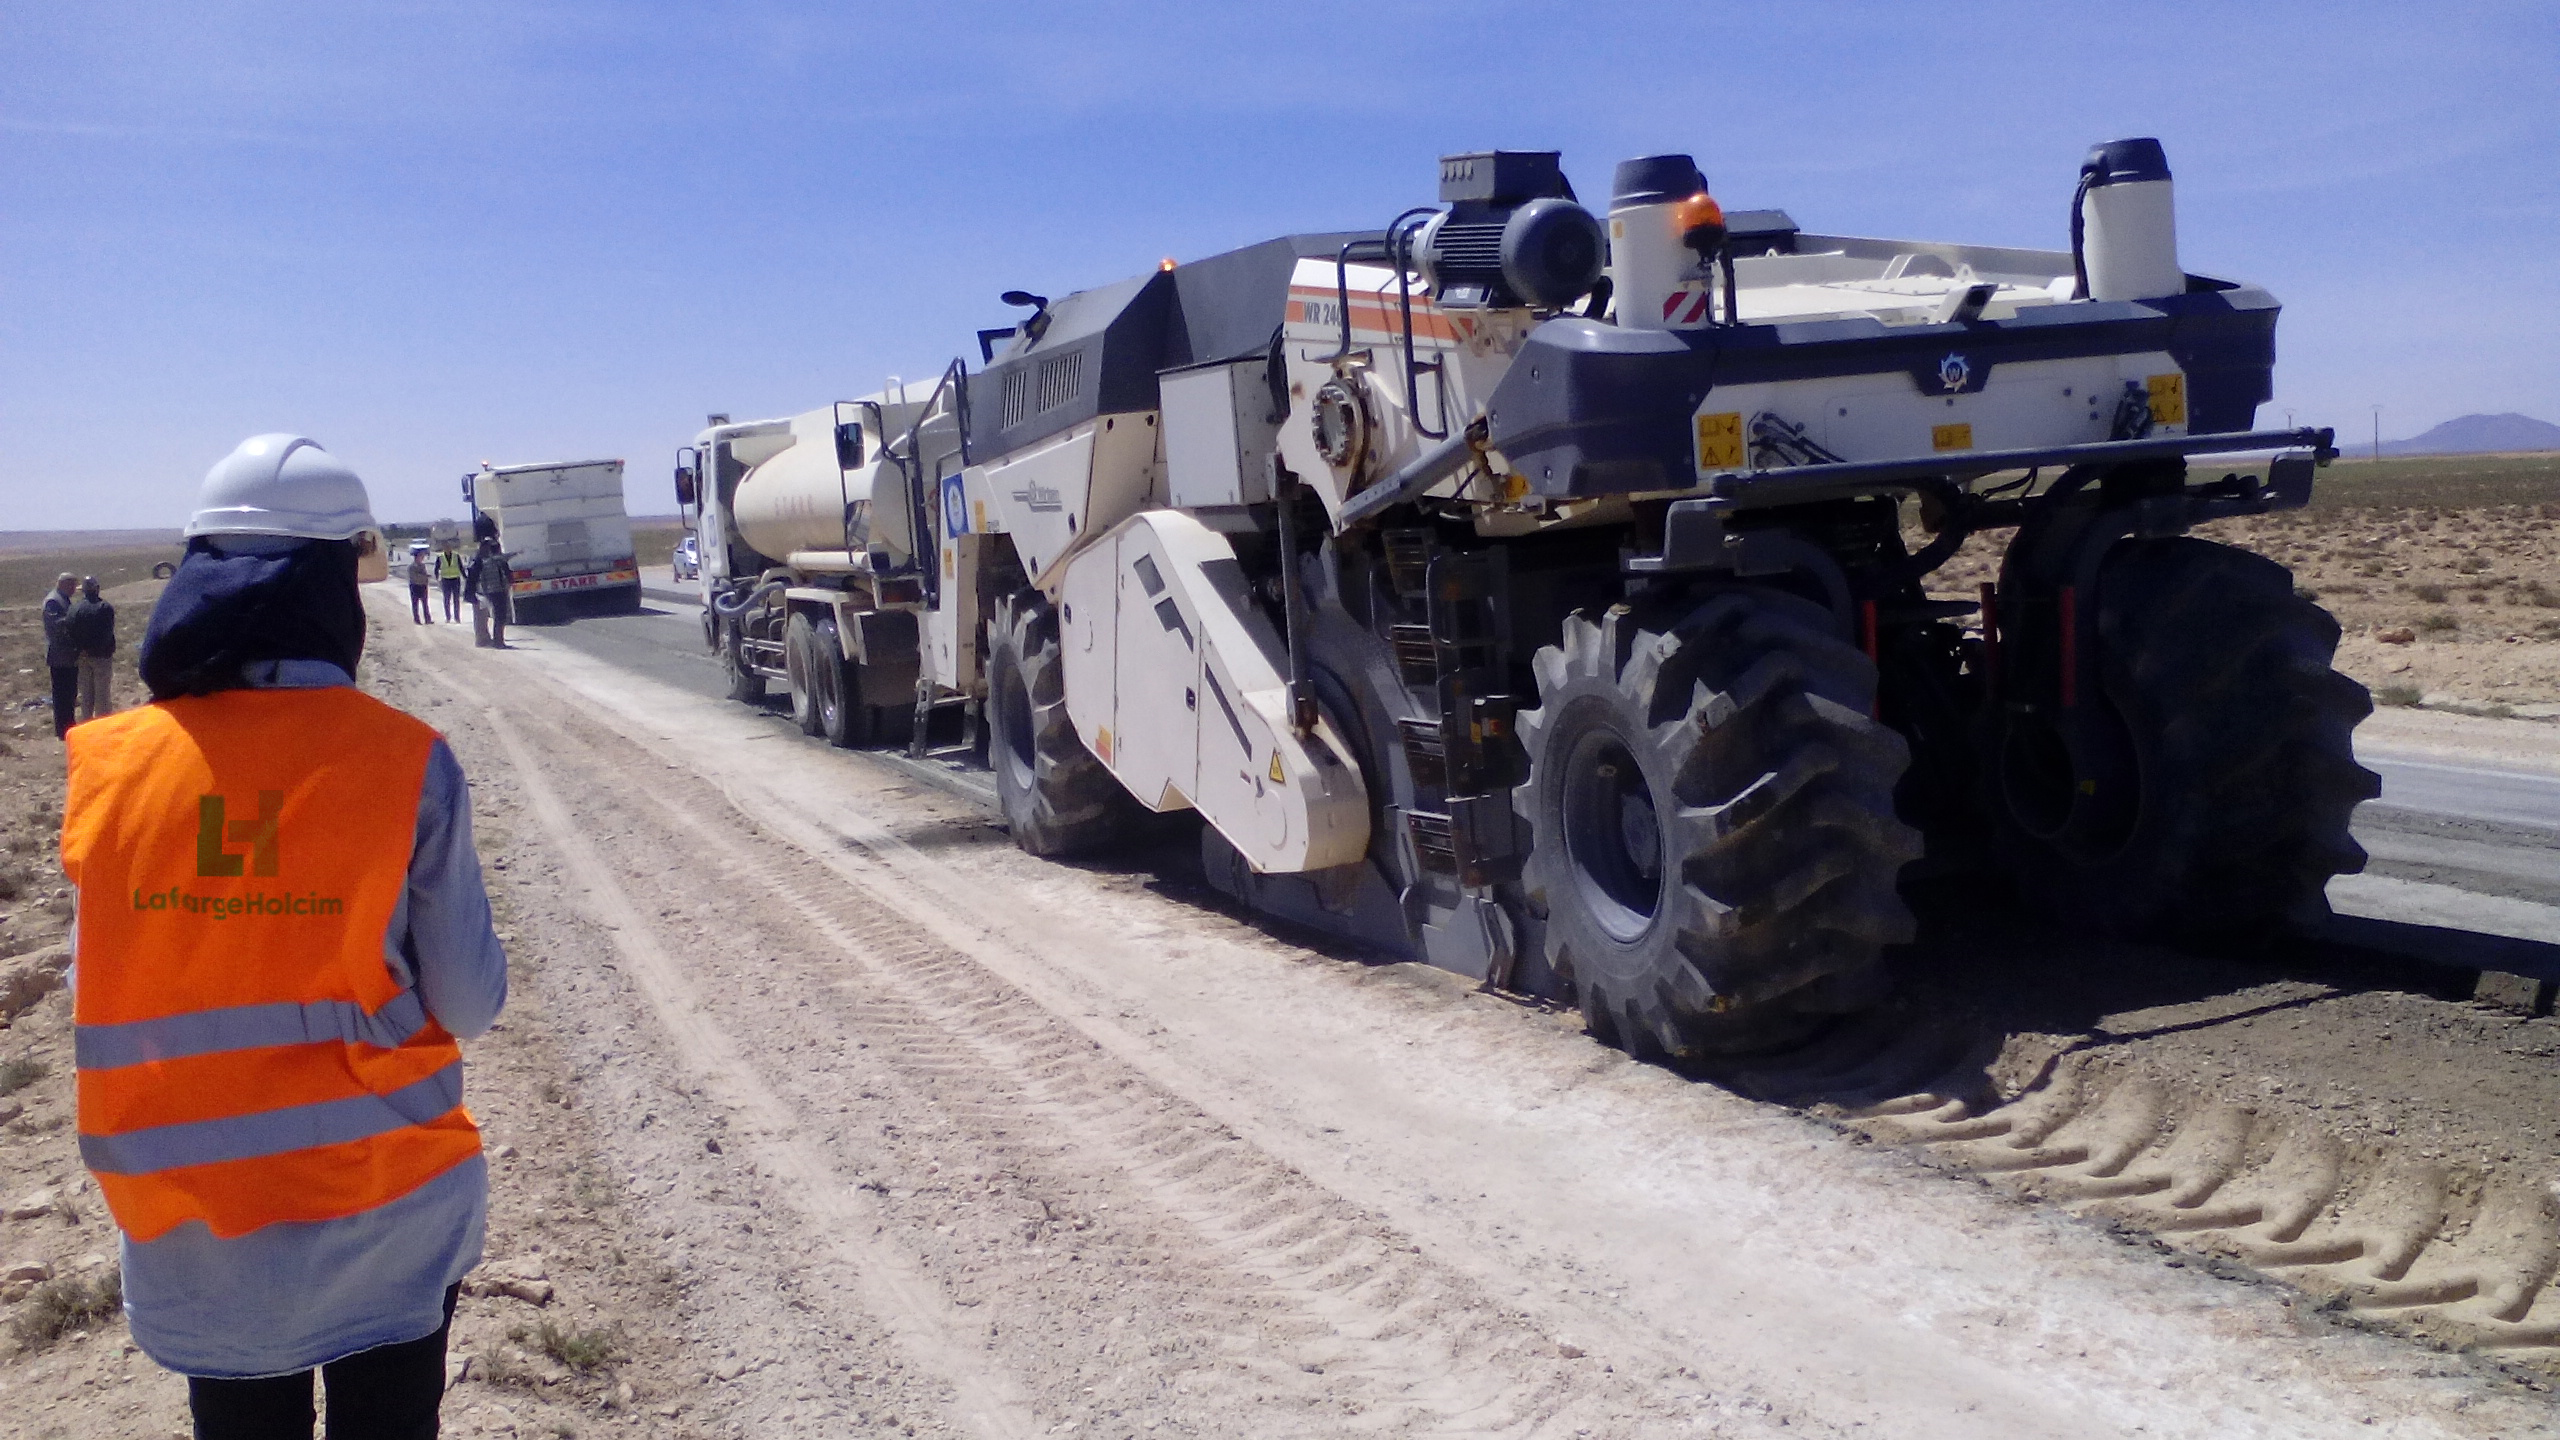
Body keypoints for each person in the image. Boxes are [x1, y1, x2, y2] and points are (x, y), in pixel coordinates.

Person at [59, 433, 507, 1440]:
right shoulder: (406, 764)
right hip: (386, 1200)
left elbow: (107, 988)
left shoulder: (110, 769)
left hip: (194, 1221)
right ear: (331, 583)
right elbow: (469, 1004)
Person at [66, 575, 117, 722]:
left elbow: (69, 630)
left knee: (86, 694)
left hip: (81, 657)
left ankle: (86, 724)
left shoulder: (74, 608)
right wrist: (95, 648)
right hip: (101, 656)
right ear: (97, 589)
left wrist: (80, 649)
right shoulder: (104, 607)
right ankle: (103, 725)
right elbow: (107, 633)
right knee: (102, 694)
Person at [42, 572, 79, 738]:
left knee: (70, 693)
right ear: (64, 584)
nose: (73, 590)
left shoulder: (62, 599)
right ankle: (62, 729)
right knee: (61, 694)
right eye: (72, 586)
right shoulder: (53, 601)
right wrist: (74, 618)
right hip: (59, 655)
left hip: (68, 655)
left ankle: (68, 725)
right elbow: (56, 625)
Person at [464, 537, 511, 649]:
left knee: (485, 617)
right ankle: (493, 641)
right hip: (489, 592)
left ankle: (488, 640)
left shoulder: (481, 559)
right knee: (496, 616)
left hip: (484, 592)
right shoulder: (487, 560)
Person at [435, 545, 465, 622]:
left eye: (449, 547)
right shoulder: (440, 557)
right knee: (446, 599)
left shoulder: (456, 556)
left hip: (455, 579)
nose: (447, 549)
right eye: (446, 548)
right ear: (444, 549)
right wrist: (437, 577)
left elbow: (460, 567)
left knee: (456, 600)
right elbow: (436, 568)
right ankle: (448, 617)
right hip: (445, 580)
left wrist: (465, 576)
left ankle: (457, 617)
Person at [406, 547, 435, 625]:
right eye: (421, 556)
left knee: (425, 604)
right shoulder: (411, 567)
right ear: (417, 557)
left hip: (423, 586)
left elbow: (423, 575)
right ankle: (417, 620)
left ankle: (427, 619)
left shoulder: (422, 566)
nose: (422, 558)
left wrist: (426, 578)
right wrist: (424, 577)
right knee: (415, 604)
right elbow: (414, 577)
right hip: (415, 586)